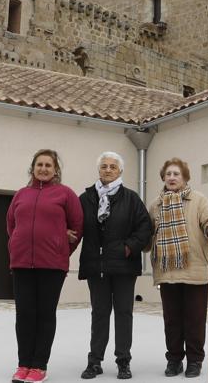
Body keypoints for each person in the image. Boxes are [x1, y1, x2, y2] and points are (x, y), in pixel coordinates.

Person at [7, 149, 84, 383]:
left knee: (45, 314)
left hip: (52, 265)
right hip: (22, 263)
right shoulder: (21, 194)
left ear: (55, 170)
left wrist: (61, 247)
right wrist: (16, 245)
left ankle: (39, 366)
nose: (43, 168)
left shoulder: (65, 194)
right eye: (39, 164)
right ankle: (23, 365)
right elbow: (11, 225)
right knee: (25, 314)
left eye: (48, 165)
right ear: (33, 168)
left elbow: (78, 227)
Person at [78, 151, 154, 379]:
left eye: (113, 166)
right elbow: (74, 225)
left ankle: (123, 361)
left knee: (123, 313)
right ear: (98, 170)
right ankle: (95, 362)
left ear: (120, 171)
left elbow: (144, 229)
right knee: (99, 313)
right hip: (96, 265)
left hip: (123, 265)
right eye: (104, 166)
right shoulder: (85, 198)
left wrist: (128, 248)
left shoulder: (131, 198)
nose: (108, 170)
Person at [145, 157, 208, 378]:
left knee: (195, 318)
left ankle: (195, 361)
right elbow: (148, 237)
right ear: (163, 177)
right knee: (171, 319)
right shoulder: (155, 205)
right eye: (168, 174)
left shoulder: (198, 200)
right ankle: (174, 360)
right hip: (167, 270)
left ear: (185, 178)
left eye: (176, 174)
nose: (172, 177)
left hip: (195, 269)